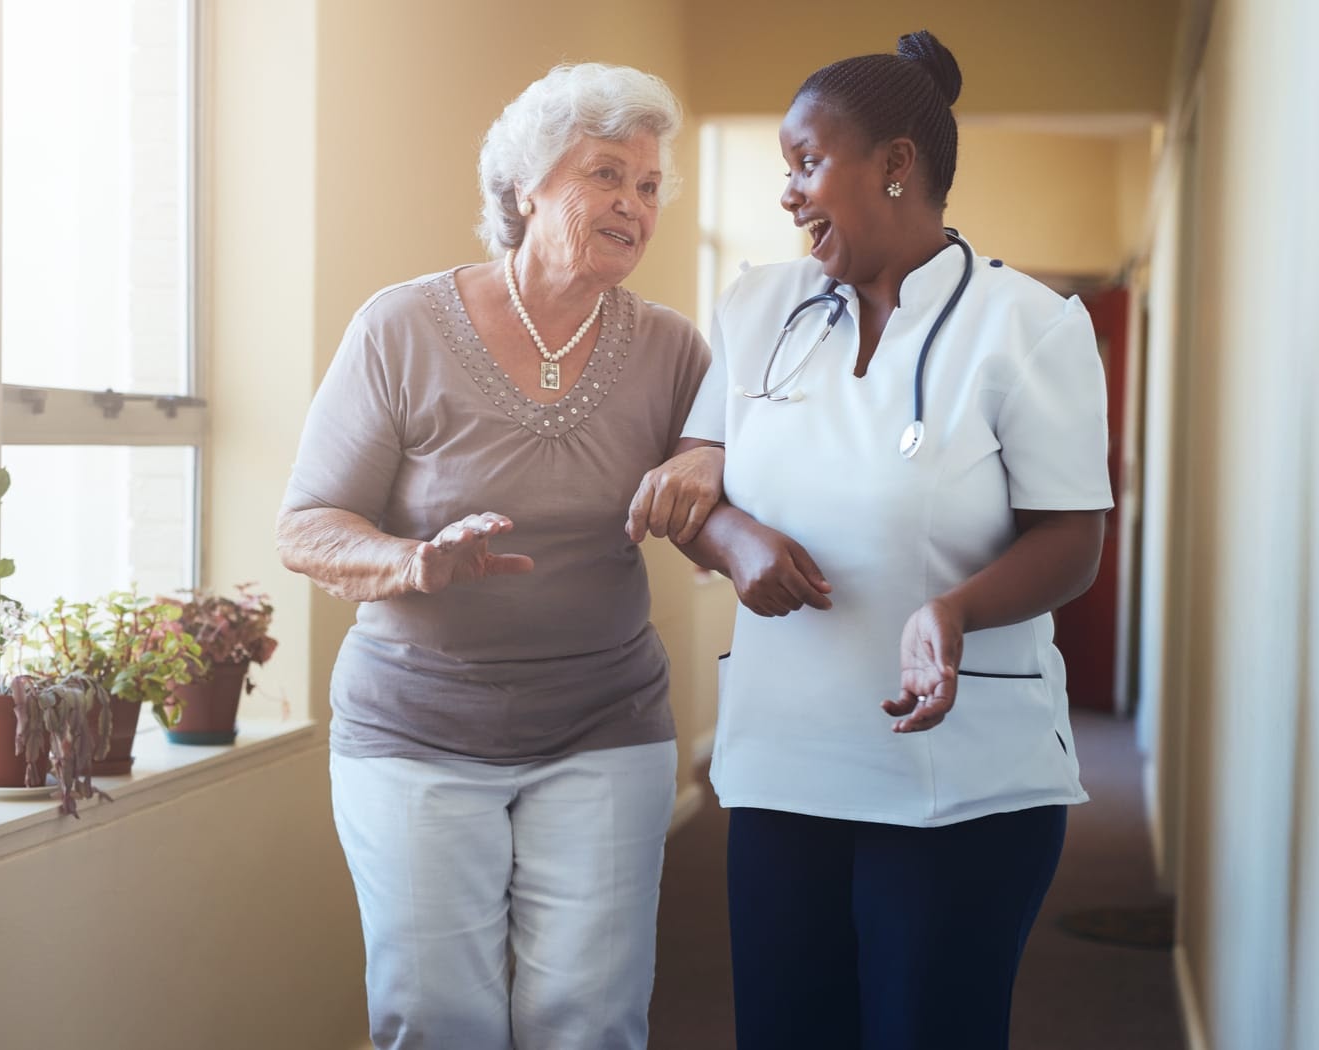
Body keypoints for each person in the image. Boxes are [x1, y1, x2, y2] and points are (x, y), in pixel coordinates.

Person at [627, 30, 1112, 1050]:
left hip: (959, 775)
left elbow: (1071, 539)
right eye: (782, 169)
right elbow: (695, 482)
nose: (788, 192)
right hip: (783, 766)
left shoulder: (1028, 326)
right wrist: (734, 538)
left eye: (806, 163)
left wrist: (955, 609)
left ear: (895, 164)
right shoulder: (762, 307)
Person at [276, 63, 710, 1050]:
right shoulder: (402, 327)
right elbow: (307, 523)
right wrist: (413, 564)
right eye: (607, 174)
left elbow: (729, 465)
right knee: (436, 1018)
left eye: (648, 187)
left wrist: (710, 454)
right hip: (415, 725)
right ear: (524, 186)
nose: (634, 205)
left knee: (591, 1019)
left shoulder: (670, 348)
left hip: (605, 722)